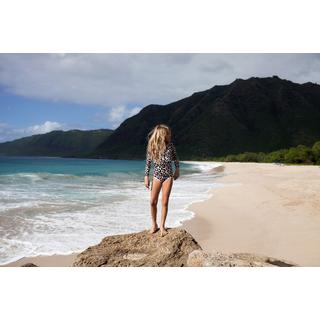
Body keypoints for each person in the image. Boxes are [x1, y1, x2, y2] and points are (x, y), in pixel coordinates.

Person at [144, 124, 180, 236]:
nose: (170, 135)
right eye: (168, 133)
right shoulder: (152, 146)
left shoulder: (170, 146)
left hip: (168, 176)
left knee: (164, 202)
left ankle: (162, 226)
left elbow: (175, 158)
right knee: (152, 202)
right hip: (156, 176)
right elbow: (148, 163)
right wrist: (146, 176)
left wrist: (177, 170)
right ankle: (154, 225)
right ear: (162, 134)